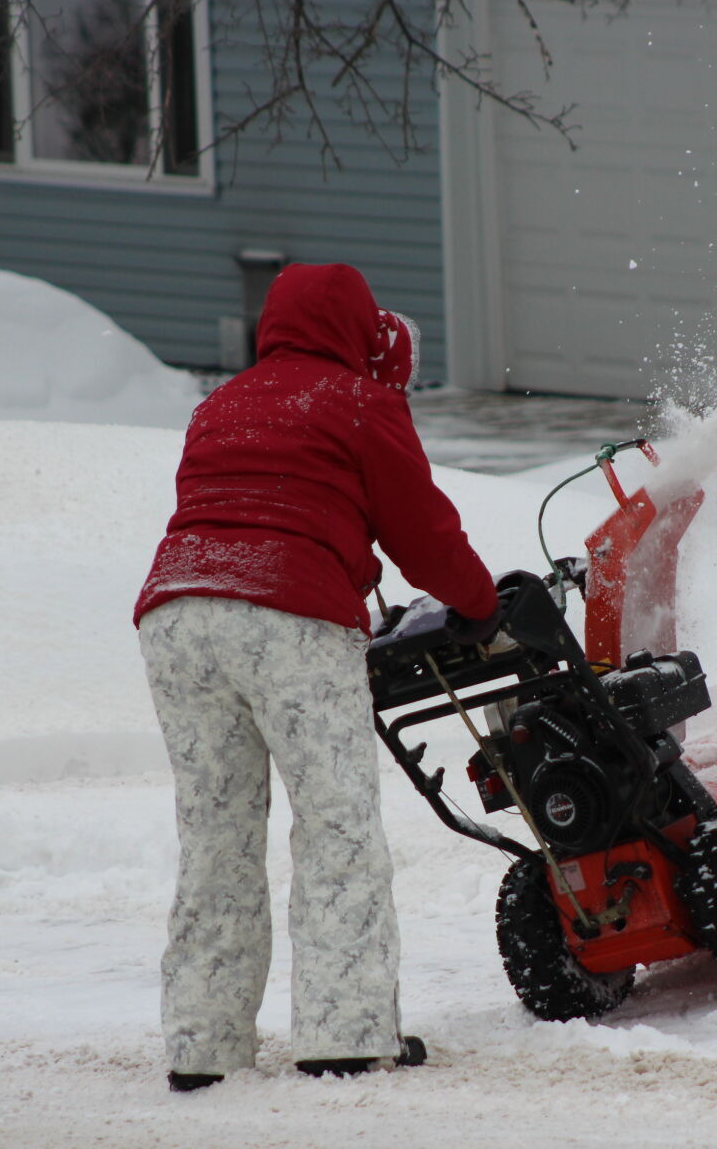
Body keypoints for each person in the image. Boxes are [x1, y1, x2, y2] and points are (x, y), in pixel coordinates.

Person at [133, 262, 500, 1092]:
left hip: (176, 614)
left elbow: (262, 504)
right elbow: (422, 528)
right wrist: (478, 603)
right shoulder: (360, 400)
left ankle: (202, 1043)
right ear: (353, 327)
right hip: (288, 619)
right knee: (335, 824)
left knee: (215, 835)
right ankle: (343, 1033)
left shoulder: (219, 404)